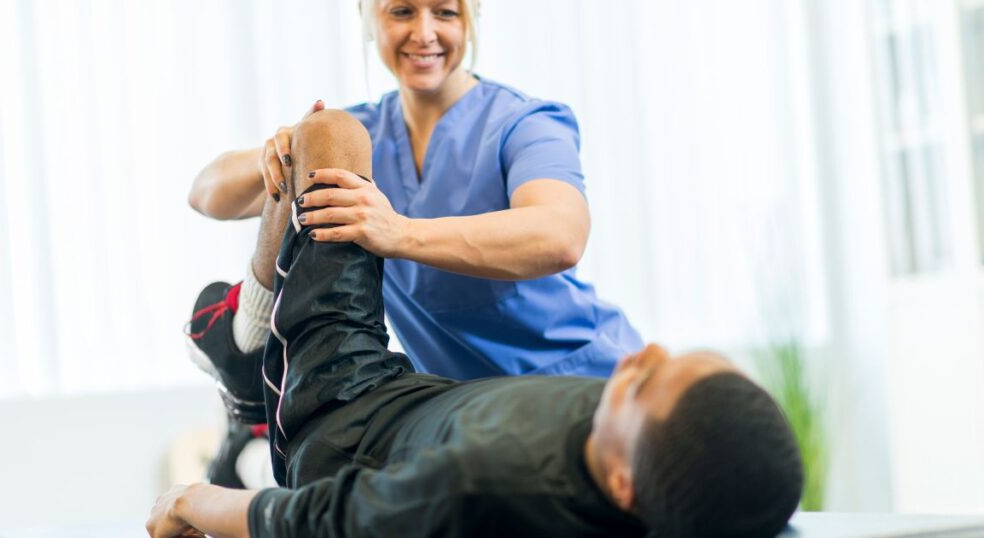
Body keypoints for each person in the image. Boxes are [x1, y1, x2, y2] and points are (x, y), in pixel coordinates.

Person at [153, 109, 804, 538]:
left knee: (333, 136)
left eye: (640, 384)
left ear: (624, 486)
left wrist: (184, 502)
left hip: (340, 415)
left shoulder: (482, 485)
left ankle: (245, 350)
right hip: (415, 393)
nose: (640, 356)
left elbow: (300, 521)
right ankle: (251, 353)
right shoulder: (689, 481)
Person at [188, 0, 641, 383]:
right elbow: (207, 194)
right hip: (466, 410)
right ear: (369, 17)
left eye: (445, 12)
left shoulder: (524, 123)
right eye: (402, 11)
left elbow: (560, 237)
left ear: (471, 16)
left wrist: (398, 233)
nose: (424, 34)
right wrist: (275, 152)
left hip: (586, 380)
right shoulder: (359, 137)